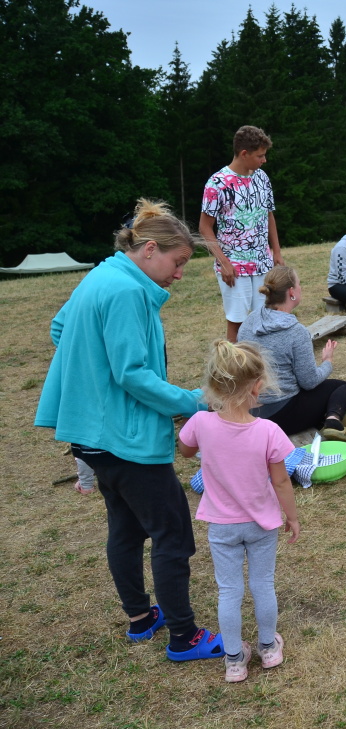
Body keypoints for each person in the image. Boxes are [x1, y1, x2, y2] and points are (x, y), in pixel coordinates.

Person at [34, 199, 223, 662]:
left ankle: (141, 618)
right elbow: (132, 374)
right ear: (151, 249)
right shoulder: (127, 291)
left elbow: (61, 328)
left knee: (125, 526)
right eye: (178, 262)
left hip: (92, 438)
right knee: (172, 533)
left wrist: (93, 381)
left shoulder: (102, 275)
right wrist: (194, 400)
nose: (180, 274)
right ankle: (184, 637)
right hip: (125, 440)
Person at [178, 340, 300, 683]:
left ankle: (234, 660)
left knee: (229, 591)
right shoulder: (269, 431)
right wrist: (292, 517)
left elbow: (185, 450)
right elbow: (281, 482)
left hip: (222, 526)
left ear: (214, 386)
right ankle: (268, 648)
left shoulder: (200, 423)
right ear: (258, 386)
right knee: (263, 584)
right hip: (262, 524)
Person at [237, 266, 346, 443]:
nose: (301, 288)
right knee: (343, 388)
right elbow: (308, 382)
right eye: (299, 284)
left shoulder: (249, 321)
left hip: (248, 409)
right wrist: (327, 362)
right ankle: (333, 420)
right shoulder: (296, 332)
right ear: (291, 292)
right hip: (281, 415)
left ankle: (329, 419)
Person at [200, 125, 282, 343]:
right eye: (260, 156)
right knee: (237, 322)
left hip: (262, 263)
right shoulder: (217, 183)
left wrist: (276, 252)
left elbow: (268, 215)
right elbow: (204, 227)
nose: (264, 160)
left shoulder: (262, 178)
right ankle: (235, 364)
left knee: (264, 319)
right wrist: (224, 262)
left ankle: (260, 362)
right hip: (234, 266)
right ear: (244, 154)